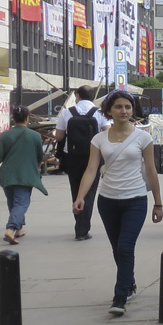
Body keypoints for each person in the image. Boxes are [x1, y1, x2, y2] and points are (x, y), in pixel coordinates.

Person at [73, 90, 163, 316]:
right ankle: (129, 281)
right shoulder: (99, 139)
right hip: (108, 201)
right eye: (119, 107)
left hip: (135, 200)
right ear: (109, 111)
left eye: (128, 107)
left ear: (132, 110)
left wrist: (158, 203)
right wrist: (81, 196)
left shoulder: (143, 137)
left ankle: (120, 296)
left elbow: (151, 170)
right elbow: (91, 169)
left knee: (125, 247)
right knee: (117, 249)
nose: (124, 111)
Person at [54, 85, 109, 241]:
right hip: (94, 156)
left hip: (72, 156)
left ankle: (79, 224)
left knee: (76, 189)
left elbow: (58, 137)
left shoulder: (66, 112)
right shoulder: (99, 113)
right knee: (90, 191)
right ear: (93, 97)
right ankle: (82, 229)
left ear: (77, 96)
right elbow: (107, 131)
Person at [0, 106, 47, 246]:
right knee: (21, 203)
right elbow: (40, 157)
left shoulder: (5, 135)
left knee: (13, 202)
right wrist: (35, 170)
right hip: (25, 176)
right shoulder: (35, 136)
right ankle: (11, 228)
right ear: (27, 118)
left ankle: (19, 229)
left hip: (7, 175)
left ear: (13, 118)